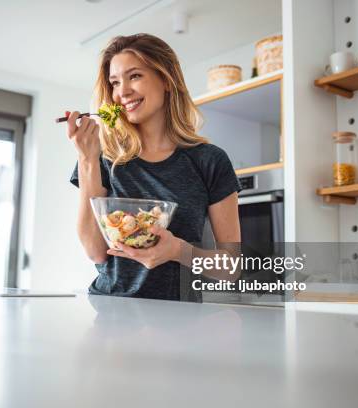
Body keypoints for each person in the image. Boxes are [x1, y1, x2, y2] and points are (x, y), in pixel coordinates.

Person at [68, 33, 241, 301]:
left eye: (134, 76)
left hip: (179, 320)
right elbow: (95, 251)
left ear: (166, 80)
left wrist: (179, 251)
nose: (122, 92)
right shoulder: (102, 156)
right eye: (115, 82)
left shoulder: (210, 161)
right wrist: (87, 160)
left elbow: (231, 268)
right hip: (111, 314)